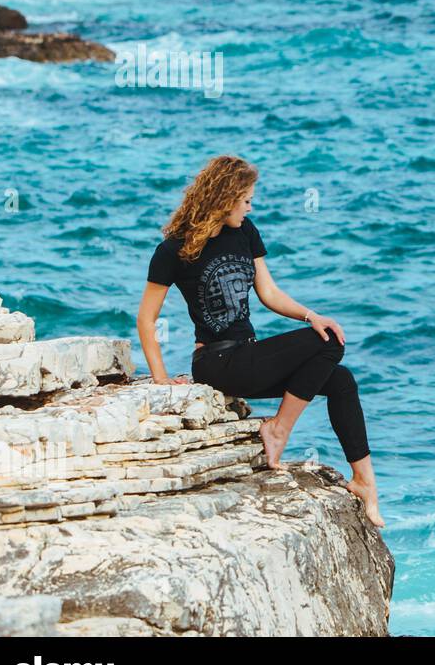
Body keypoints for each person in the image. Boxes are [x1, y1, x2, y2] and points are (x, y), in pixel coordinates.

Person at [135, 154, 384, 528]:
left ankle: (365, 482)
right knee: (330, 344)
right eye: (246, 199)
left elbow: (268, 292)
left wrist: (310, 316)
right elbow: (146, 318)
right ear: (225, 197)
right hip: (216, 364)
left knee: (340, 378)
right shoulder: (173, 250)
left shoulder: (245, 232)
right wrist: (160, 377)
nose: (251, 206)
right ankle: (278, 429)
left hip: (248, 356)